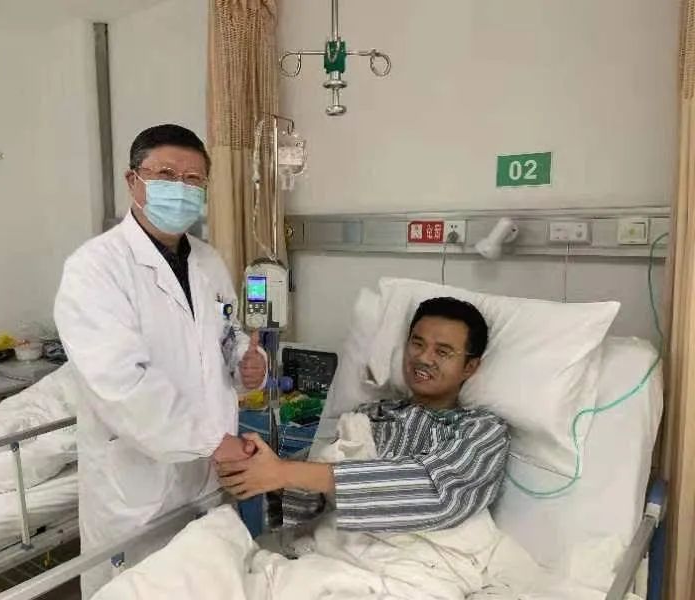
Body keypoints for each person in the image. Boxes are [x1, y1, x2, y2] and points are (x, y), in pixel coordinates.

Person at [54, 124, 267, 598]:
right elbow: (122, 384)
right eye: (167, 174)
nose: (181, 188)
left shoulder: (209, 261)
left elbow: (226, 335)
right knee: (138, 587)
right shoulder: (95, 268)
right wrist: (213, 440)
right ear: (134, 180)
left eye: (193, 179)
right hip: (137, 484)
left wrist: (247, 364)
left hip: (205, 475)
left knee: (208, 579)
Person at [215, 297, 510, 532]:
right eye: (417, 343)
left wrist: (284, 472)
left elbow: (432, 489)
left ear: (470, 367)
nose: (423, 357)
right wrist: (258, 472)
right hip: (342, 551)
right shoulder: (369, 416)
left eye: (442, 352)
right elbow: (314, 500)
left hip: (420, 563)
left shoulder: (483, 431)